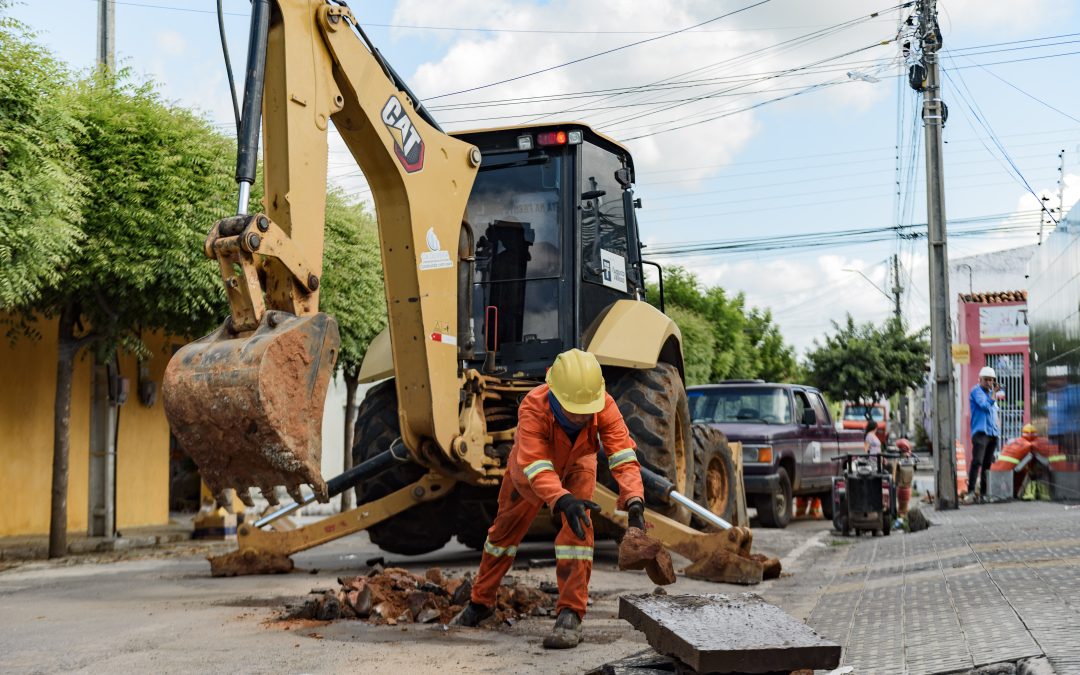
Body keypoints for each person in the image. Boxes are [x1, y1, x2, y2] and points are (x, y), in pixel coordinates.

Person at [451, 349, 646, 649]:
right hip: (529, 474)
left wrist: (634, 501)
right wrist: (560, 499)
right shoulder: (533, 406)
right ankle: (481, 601)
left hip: (579, 463)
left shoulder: (603, 405)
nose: (582, 416)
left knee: (578, 533)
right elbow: (536, 464)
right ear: (555, 395)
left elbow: (622, 454)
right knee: (501, 538)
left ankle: (570, 614)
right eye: (574, 410)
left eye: (587, 410)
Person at [968, 366, 1002, 502]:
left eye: (991, 380)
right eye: (986, 380)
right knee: (977, 462)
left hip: (992, 433)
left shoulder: (990, 394)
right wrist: (994, 393)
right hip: (981, 433)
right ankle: (971, 491)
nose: (988, 382)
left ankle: (984, 493)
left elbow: (994, 413)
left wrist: (997, 430)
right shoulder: (976, 391)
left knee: (987, 464)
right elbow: (984, 406)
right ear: (980, 379)